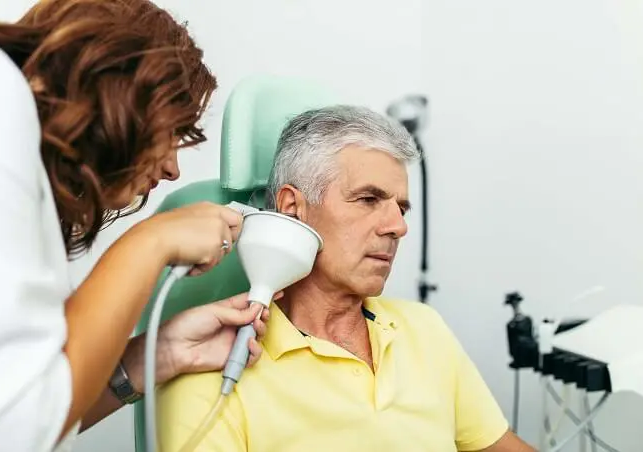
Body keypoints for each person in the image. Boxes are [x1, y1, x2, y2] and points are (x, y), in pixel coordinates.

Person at [0, 1, 275, 451]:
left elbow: (22, 406)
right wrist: (150, 243)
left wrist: (159, 354)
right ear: (124, 87)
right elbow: (4, 430)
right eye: (174, 132)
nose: (172, 170)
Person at [156, 105, 537, 452]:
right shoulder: (213, 364)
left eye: (401, 208)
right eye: (369, 199)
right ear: (293, 208)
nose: (398, 227)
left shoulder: (424, 329)